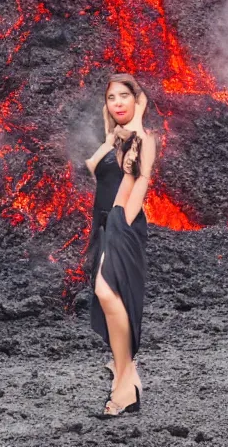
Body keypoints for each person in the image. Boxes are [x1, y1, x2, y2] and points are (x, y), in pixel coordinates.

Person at [83, 73, 157, 416]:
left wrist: (138, 120)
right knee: (111, 300)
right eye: (111, 98)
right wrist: (112, 130)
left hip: (122, 223)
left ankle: (126, 378)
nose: (118, 103)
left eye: (125, 96)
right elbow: (94, 166)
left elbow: (138, 187)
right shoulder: (115, 139)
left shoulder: (143, 139)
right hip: (102, 226)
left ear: (137, 100)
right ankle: (126, 380)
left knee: (108, 293)